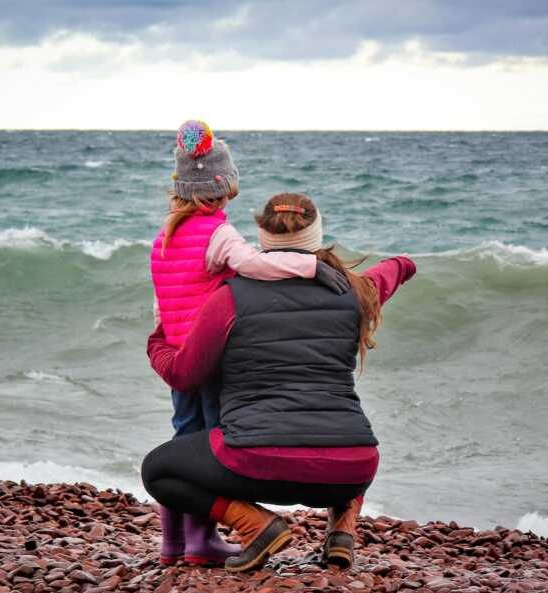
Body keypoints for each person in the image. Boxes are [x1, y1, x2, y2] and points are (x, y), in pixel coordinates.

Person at [142, 193, 416, 572]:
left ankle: (256, 523)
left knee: (157, 470)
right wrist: (404, 263)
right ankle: (341, 529)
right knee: (350, 439)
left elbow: (184, 375)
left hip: (256, 467)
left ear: (262, 238)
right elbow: (393, 271)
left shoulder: (230, 297)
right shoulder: (353, 289)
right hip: (351, 470)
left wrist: (158, 342)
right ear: (315, 235)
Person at [149, 122, 349, 566]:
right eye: (223, 194)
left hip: (181, 359)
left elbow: (162, 305)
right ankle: (207, 539)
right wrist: (309, 269)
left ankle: (175, 545)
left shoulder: (162, 239)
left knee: (183, 440)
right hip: (214, 357)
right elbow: (253, 265)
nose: (224, 203)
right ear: (218, 192)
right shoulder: (218, 234)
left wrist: (168, 346)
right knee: (217, 442)